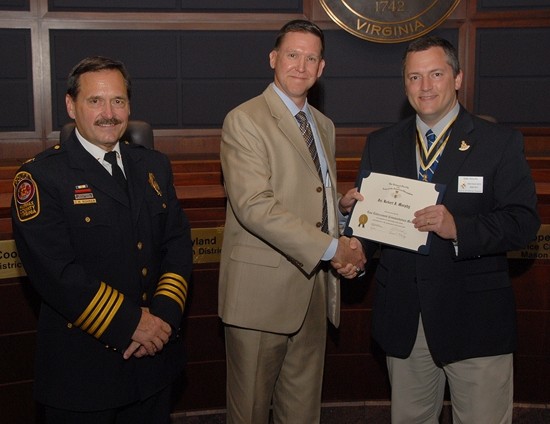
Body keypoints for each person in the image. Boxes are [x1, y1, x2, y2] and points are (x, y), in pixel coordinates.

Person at [348, 36, 541, 423]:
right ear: (405, 85)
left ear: (457, 78)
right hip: (405, 319)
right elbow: (374, 225)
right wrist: (354, 243)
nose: (425, 87)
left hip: (476, 320)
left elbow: (524, 223)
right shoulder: (381, 144)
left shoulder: (499, 143)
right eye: (414, 77)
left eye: (436, 74)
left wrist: (460, 228)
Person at [11, 56, 192, 424]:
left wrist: (163, 319)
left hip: (152, 364)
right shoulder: (40, 178)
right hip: (83, 375)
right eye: (95, 101)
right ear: (70, 105)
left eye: (118, 101)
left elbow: (177, 245)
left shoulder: (154, 166)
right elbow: (57, 274)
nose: (108, 113)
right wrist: (132, 324)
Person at [218, 19, 366, 423]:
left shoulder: (323, 125)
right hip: (259, 298)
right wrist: (335, 248)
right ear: (273, 59)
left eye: (311, 58)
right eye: (292, 55)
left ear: (321, 69)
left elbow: (309, 194)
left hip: (313, 292)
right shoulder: (244, 120)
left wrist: (340, 210)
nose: (301, 66)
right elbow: (255, 205)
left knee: (302, 413)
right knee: (248, 413)